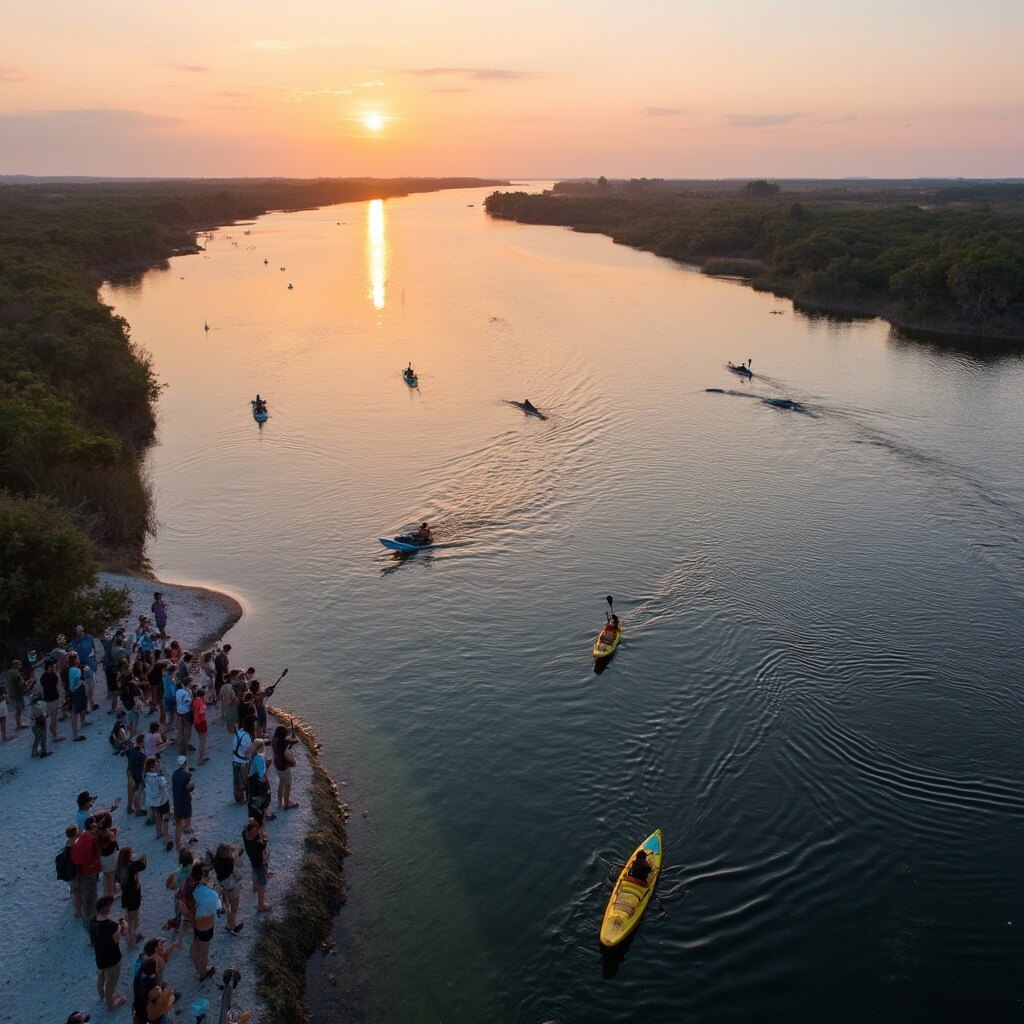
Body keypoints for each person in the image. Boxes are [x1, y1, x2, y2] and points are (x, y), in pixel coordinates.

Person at [90, 896, 127, 1010]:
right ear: (106, 908)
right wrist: (121, 927)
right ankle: (110, 1005)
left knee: (101, 978)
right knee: (110, 984)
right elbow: (116, 940)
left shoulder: (92, 920)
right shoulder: (111, 925)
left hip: (100, 957)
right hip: (112, 959)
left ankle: (102, 996)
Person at [71, 815, 102, 938]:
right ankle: (92, 933)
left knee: (86, 903)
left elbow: (75, 858)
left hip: (81, 874)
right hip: (87, 875)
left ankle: (90, 928)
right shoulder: (89, 842)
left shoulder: (82, 837)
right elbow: (91, 861)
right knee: (90, 903)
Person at [190, 868, 221, 981]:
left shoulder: (193, 889)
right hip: (206, 926)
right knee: (204, 952)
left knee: (198, 945)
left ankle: (197, 963)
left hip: (197, 923)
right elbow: (218, 908)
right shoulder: (210, 894)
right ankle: (203, 972)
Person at [117, 846, 147, 945]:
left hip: (125, 896)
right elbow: (143, 865)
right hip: (134, 895)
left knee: (129, 916)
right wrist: (144, 858)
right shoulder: (131, 866)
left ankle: (128, 932)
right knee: (134, 918)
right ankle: (131, 940)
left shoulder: (120, 867)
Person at [212, 843, 245, 935]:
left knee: (228, 905)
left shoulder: (217, 862)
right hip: (232, 888)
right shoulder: (229, 862)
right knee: (234, 907)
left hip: (223, 887)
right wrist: (236, 857)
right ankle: (232, 925)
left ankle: (229, 923)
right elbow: (240, 865)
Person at [242, 818, 272, 912]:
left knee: (254, 871)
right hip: (260, 863)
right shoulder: (256, 844)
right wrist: (264, 837)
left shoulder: (244, 834)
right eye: (254, 831)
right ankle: (261, 905)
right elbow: (264, 843)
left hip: (253, 861)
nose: (256, 833)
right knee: (262, 882)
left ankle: (255, 886)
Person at [144, 757, 173, 852]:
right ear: (152, 767)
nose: (157, 763)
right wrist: (162, 776)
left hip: (152, 802)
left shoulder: (146, 775)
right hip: (162, 801)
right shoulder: (157, 777)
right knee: (165, 818)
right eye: (156, 763)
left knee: (157, 816)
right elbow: (164, 785)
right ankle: (165, 839)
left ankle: (158, 833)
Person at [247, 738, 275, 824]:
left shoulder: (252, 755)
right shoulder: (259, 758)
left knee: (256, 800)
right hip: (259, 783)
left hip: (252, 782)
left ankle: (261, 815)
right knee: (266, 799)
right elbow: (261, 774)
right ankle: (264, 816)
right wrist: (267, 765)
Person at [272, 725, 300, 809]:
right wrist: (294, 735)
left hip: (277, 764)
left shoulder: (275, 740)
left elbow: (286, 739)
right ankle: (287, 804)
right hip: (284, 767)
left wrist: (289, 736)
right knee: (287, 785)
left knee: (281, 783)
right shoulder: (285, 744)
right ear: (284, 734)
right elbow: (297, 741)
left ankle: (280, 803)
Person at [171, 755, 195, 852]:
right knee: (188, 823)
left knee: (178, 826)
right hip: (185, 802)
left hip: (176, 802)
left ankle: (177, 846)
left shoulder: (174, 774)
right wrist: (192, 783)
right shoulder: (187, 775)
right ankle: (188, 835)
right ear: (185, 763)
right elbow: (189, 788)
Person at [40, 656, 64, 743]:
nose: (54, 666)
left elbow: (43, 689)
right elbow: (58, 684)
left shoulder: (43, 676)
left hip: (47, 699)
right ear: (50, 667)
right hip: (53, 698)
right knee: (54, 718)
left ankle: (52, 730)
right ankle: (55, 736)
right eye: (53, 666)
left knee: (52, 716)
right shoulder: (53, 676)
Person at [231, 719, 254, 804]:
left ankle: (237, 798)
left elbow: (233, 748)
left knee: (236, 780)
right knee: (243, 781)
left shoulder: (237, 734)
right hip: (243, 762)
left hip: (235, 760)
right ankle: (242, 800)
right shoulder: (247, 736)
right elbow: (249, 750)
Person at [67, 651, 89, 740]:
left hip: (77, 691)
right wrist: (80, 682)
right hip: (77, 691)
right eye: (78, 658)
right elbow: (76, 681)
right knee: (75, 713)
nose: (79, 660)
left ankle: (83, 721)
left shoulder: (71, 669)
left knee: (82, 707)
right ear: (75, 660)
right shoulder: (76, 670)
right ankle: (75, 734)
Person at [192, 686, 209, 763]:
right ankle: (200, 759)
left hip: (196, 723)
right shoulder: (201, 703)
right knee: (203, 741)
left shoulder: (195, 701)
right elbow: (202, 713)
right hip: (201, 722)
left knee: (201, 740)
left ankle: (202, 756)